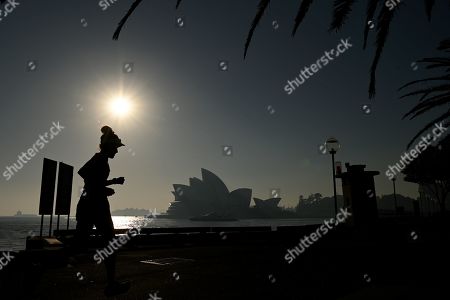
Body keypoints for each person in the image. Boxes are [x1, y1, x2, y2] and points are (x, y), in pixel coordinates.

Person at [75, 125, 130, 296]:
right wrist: (102, 189)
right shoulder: (100, 158)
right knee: (110, 244)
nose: (117, 151)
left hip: (88, 204)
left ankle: (39, 264)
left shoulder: (101, 159)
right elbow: (84, 173)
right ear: (109, 146)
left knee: (80, 244)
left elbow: (91, 179)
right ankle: (111, 284)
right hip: (96, 205)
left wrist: (112, 182)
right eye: (116, 148)